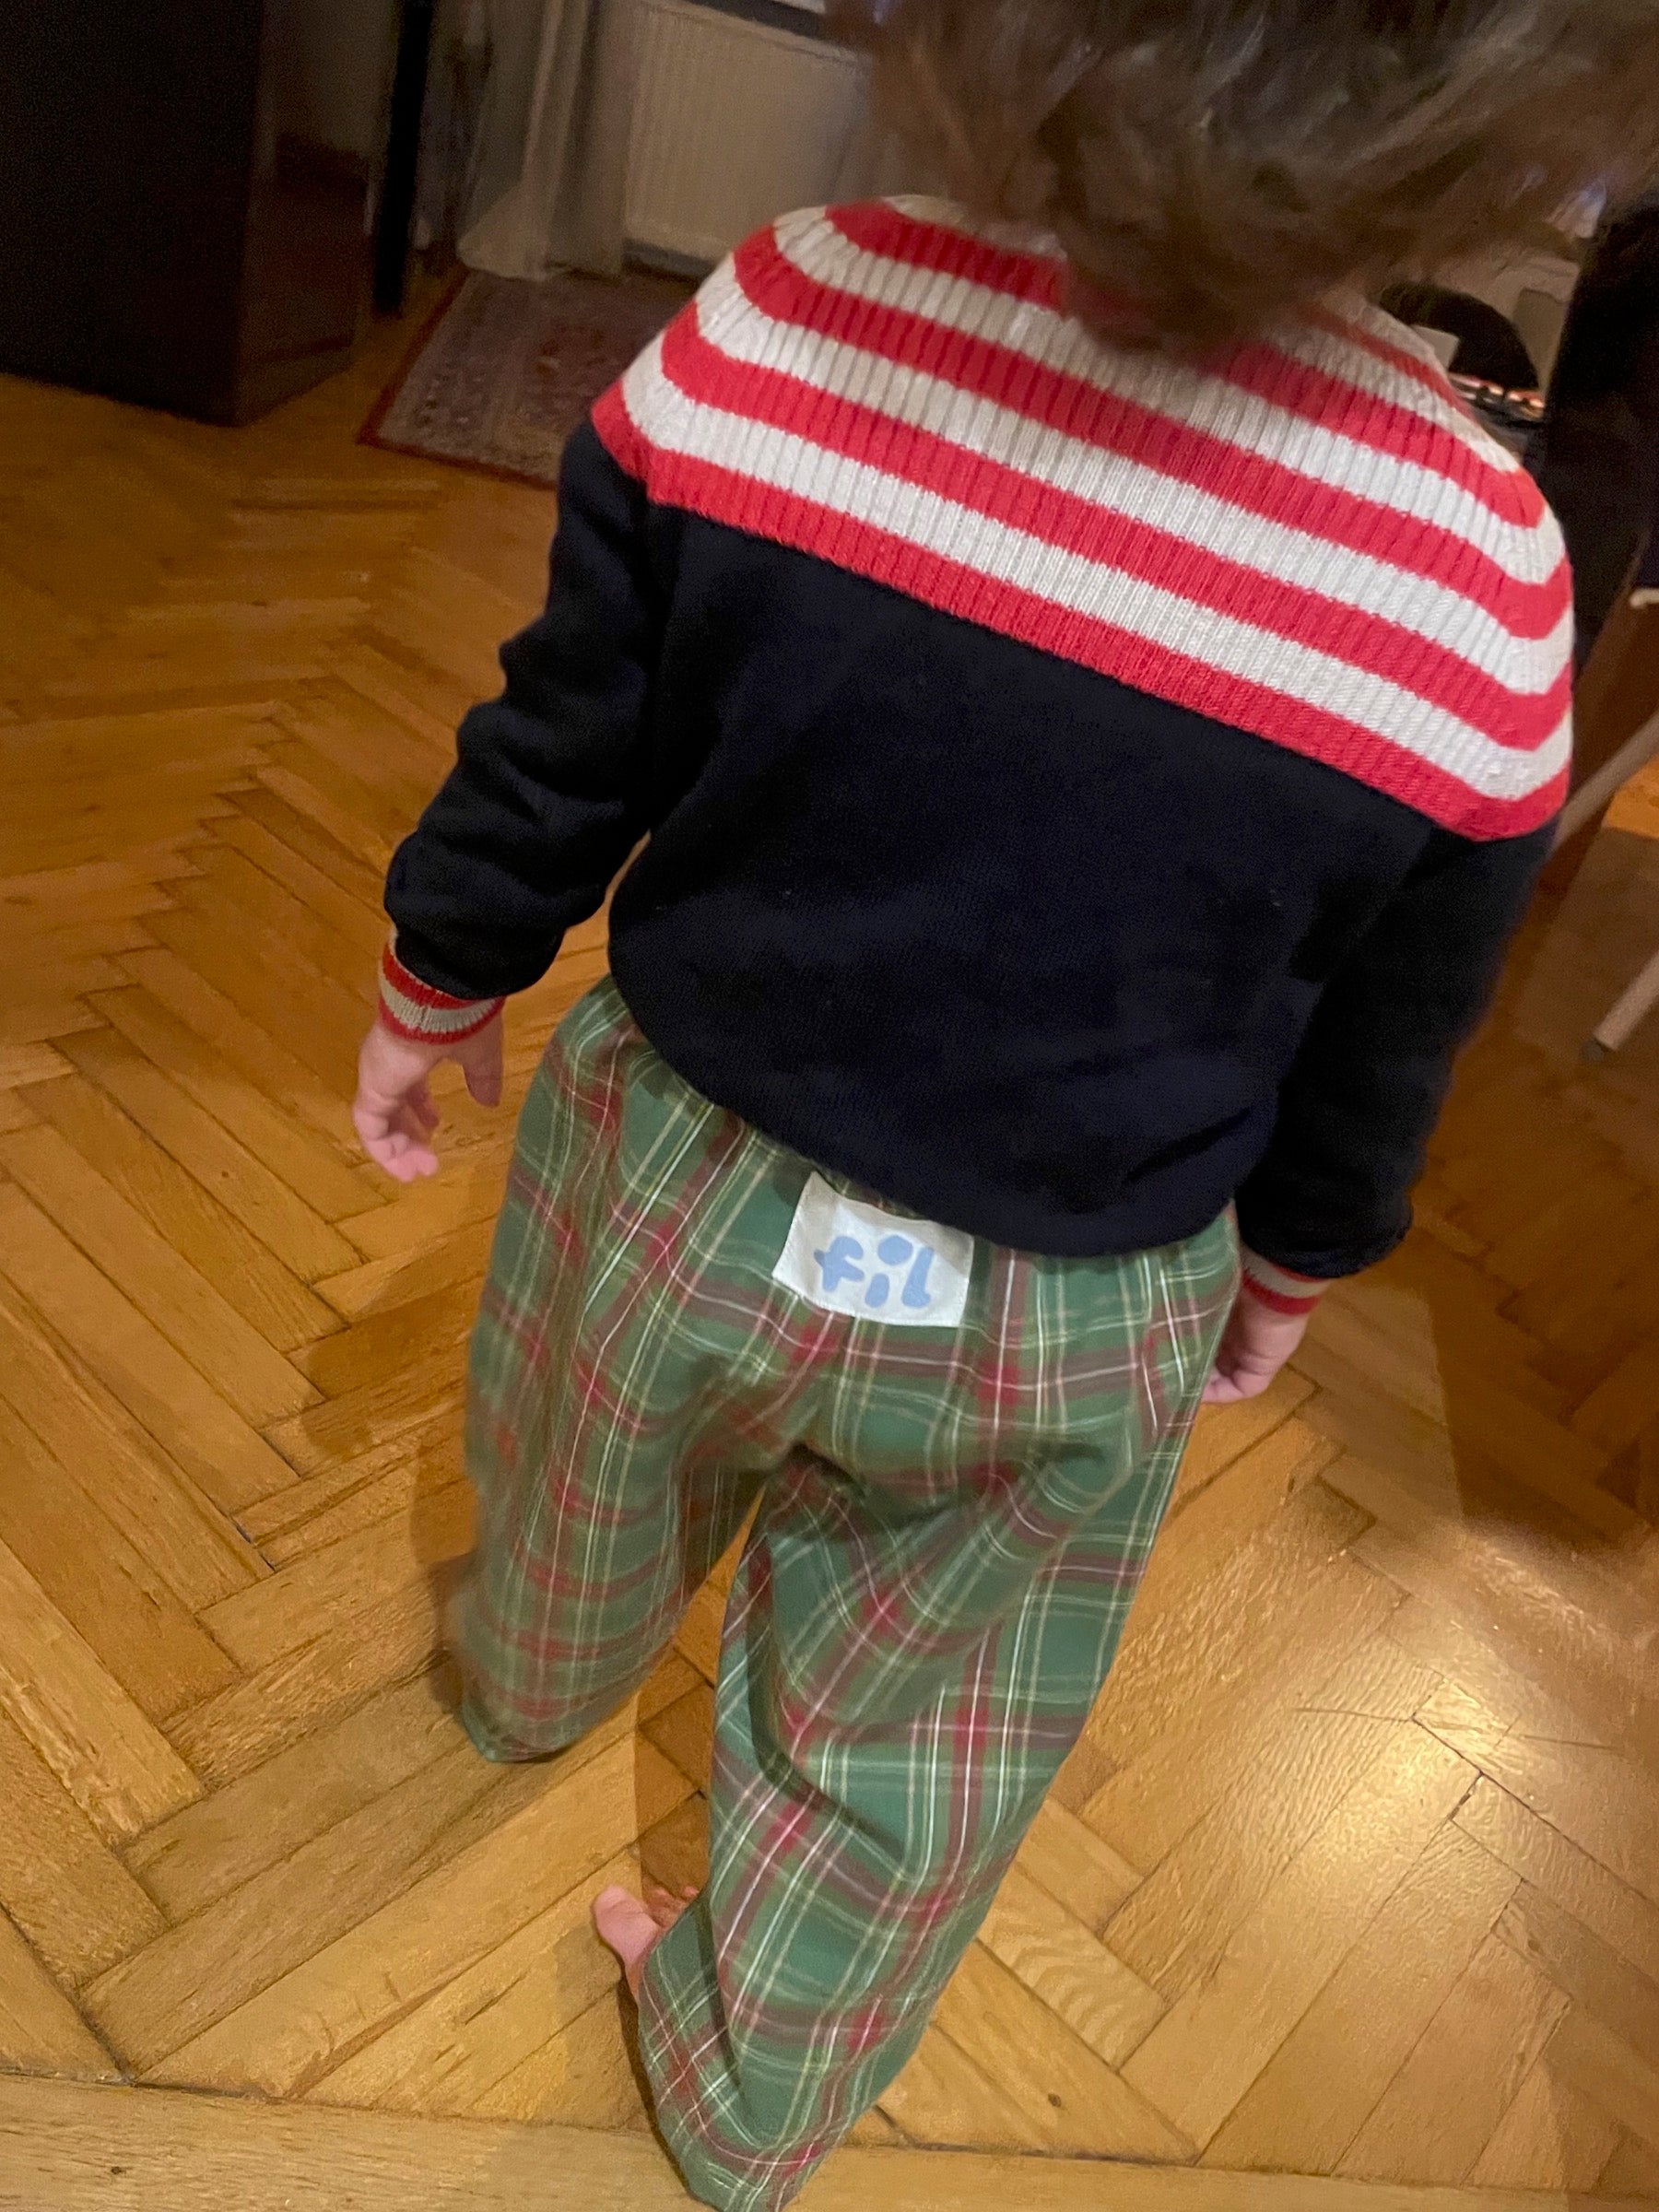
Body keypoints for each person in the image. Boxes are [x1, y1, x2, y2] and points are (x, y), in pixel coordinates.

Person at [351, 4, 1659, 2204]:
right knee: (921, 1734)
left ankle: (526, 1687)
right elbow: (1392, 1021)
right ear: (1513, 120)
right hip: (1083, 1289)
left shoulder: (784, 318)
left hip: (682, 1168)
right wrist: (1300, 1257)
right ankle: (755, 2089)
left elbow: (568, 734)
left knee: (579, 1459)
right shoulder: (1484, 566)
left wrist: (439, 968)